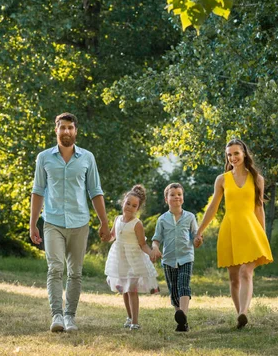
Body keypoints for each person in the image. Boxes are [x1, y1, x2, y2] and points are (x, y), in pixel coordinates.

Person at [29, 112, 111, 333]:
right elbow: (38, 191)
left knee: (75, 273)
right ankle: (56, 315)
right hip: (53, 222)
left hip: (79, 223)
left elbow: (95, 191)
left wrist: (104, 223)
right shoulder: (44, 158)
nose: (66, 131)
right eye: (62, 127)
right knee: (55, 268)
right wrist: (33, 223)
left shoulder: (87, 158)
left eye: (70, 127)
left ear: (76, 131)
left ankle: (70, 317)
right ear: (56, 130)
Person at [194, 138, 273, 329]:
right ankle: (240, 317)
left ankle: (244, 312)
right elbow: (213, 207)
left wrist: (262, 235)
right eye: (229, 154)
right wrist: (199, 231)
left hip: (251, 229)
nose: (233, 157)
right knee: (233, 277)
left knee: (246, 272)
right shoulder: (222, 179)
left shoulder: (257, 179)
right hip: (229, 229)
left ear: (244, 153)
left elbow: (259, 208)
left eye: (236, 153)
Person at [104, 184, 159, 330]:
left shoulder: (137, 224)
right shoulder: (117, 219)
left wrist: (152, 252)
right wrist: (105, 236)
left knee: (132, 290)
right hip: (120, 258)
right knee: (124, 289)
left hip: (133, 259)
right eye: (127, 203)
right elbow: (112, 237)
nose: (129, 207)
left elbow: (142, 245)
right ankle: (128, 317)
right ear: (123, 202)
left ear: (137, 209)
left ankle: (135, 322)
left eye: (134, 206)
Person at [150, 182, 199, 332]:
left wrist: (198, 240)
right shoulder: (162, 219)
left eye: (179, 194)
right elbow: (156, 238)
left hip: (186, 257)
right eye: (172, 195)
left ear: (183, 198)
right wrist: (155, 248)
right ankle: (181, 321)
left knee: (184, 285)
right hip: (168, 260)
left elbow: (195, 235)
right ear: (166, 199)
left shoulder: (190, 217)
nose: (176, 197)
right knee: (174, 291)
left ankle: (182, 316)